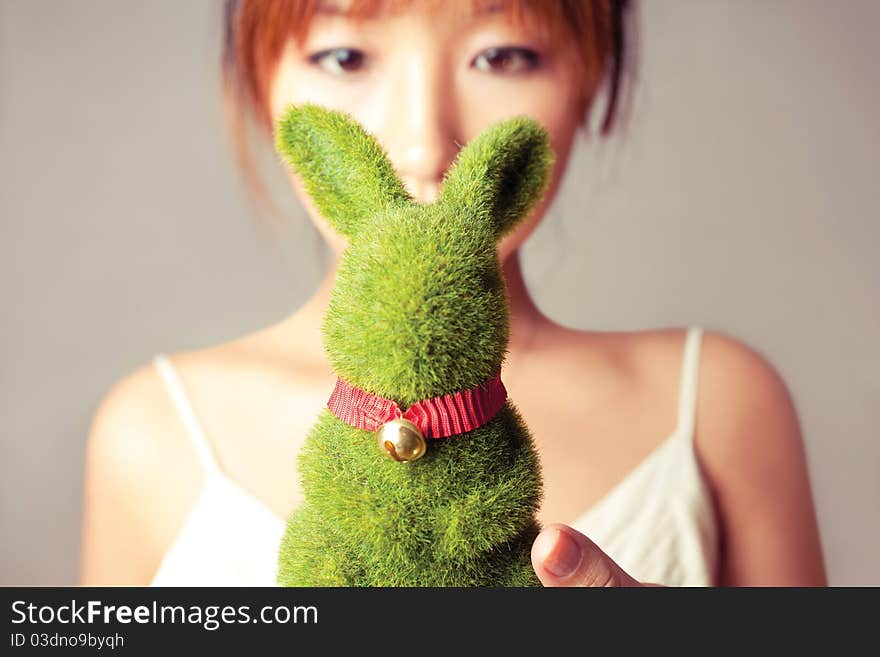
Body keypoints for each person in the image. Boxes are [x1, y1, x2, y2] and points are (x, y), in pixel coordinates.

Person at [79, 0, 827, 587]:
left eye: (501, 54)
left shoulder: (720, 403)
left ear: (592, 78)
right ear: (256, 79)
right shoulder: (152, 432)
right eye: (345, 55)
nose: (423, 146)